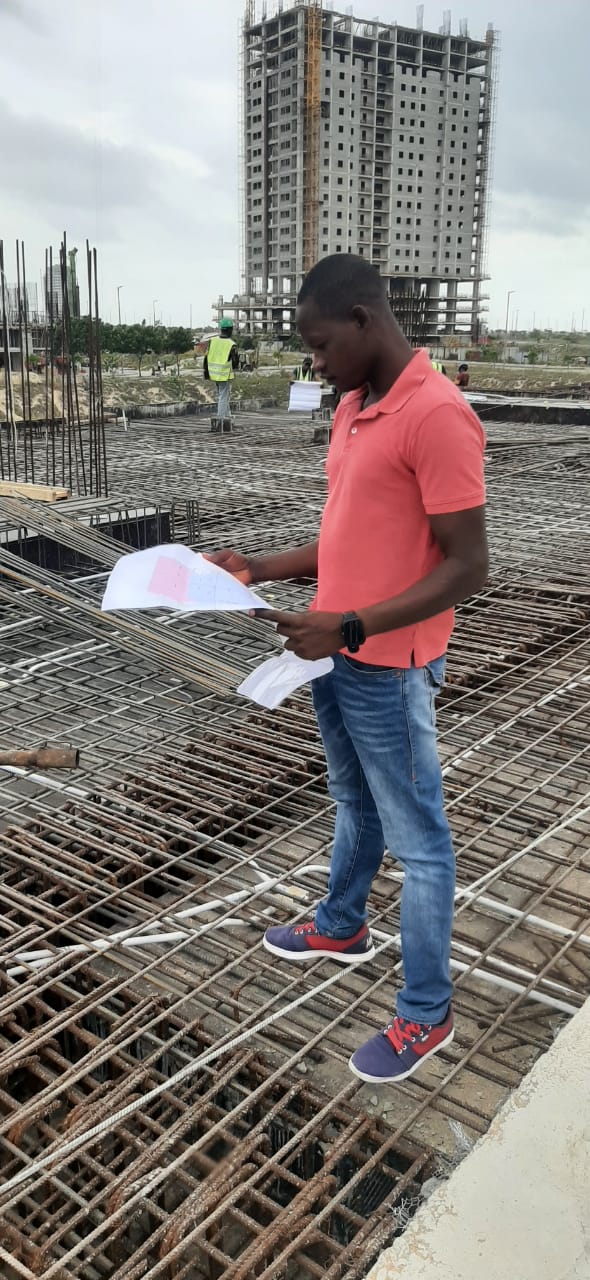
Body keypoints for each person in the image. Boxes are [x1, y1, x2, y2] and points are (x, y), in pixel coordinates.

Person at [209, 255, 487, 1085]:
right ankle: (341, 923)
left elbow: (469, 566)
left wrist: (354, 624)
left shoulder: (437, 415)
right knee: (351, 799)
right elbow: (345, 537)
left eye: (322, 345)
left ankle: (426, 1013)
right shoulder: (358, 407)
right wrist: (258, 566)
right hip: (335, 650)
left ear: (366, 319)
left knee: (422, 844)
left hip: (388, 663)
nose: (316, 363)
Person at [203, 318, 240, 422]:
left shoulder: (212, 341)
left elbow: (206, 357)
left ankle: (227, 415)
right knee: (223, 396)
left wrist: (206, 372)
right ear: (230, 330)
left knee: (223, 394)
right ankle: (220, 418)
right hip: (224, 374)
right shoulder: (231, 344)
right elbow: (235, 362)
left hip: (213, 373)